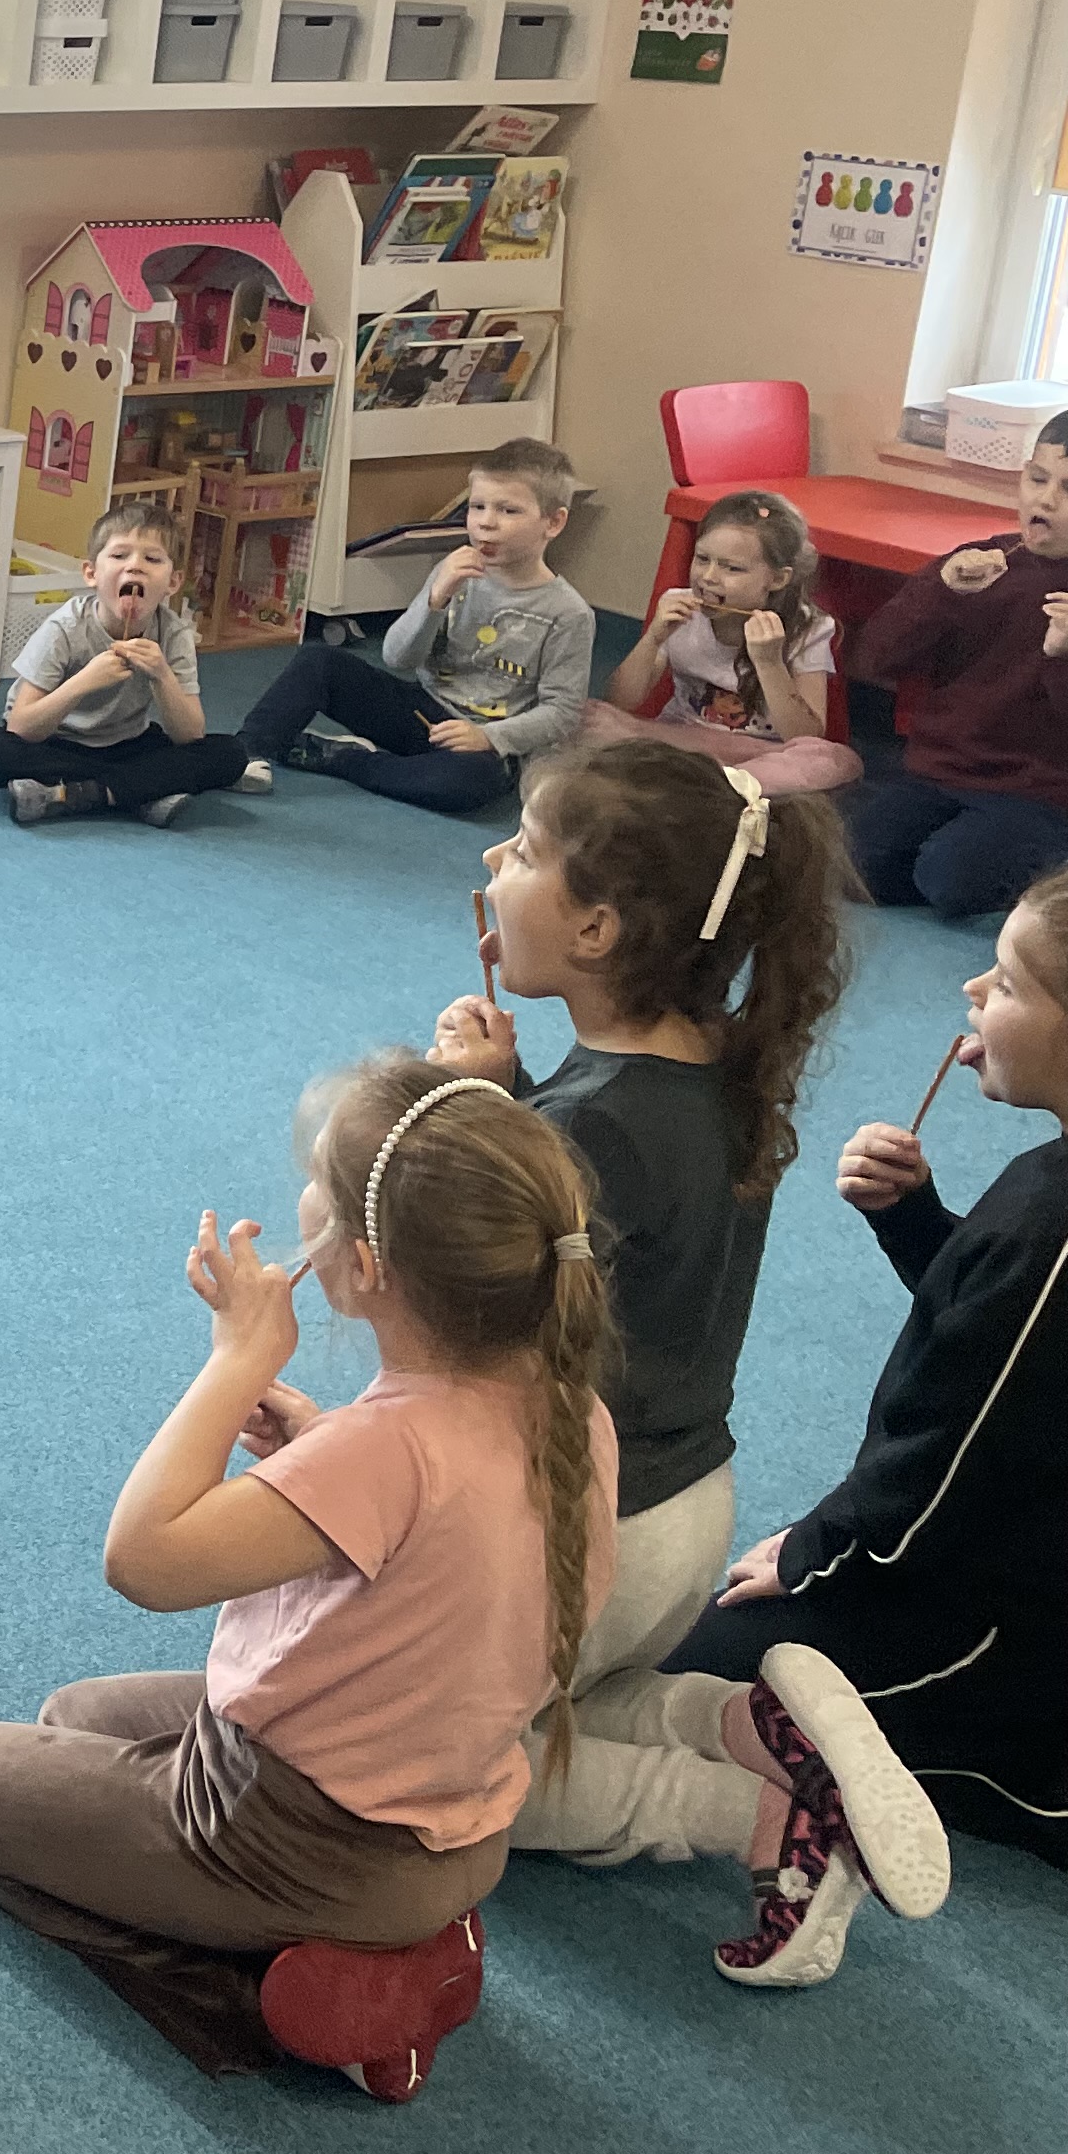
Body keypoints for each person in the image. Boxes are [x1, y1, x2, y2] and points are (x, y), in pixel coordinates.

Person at [0, 1061, 617, 2104]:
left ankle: (296, 1988)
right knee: (72, 1714)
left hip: (298, 1839)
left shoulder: (387, 1452)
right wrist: (319, 1443)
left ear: (367, 1268)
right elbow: (443, 1523)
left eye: (319, 1193)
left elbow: (142, 1559)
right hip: (451, 1822)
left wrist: (236, 1360)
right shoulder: (569, 1408)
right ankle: (395, 1931)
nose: (302, 1206)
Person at [549, 875, 1068, 1981]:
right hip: (991, 1553)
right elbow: (1010, 1350)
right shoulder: (1043, 1209)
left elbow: (951, 1464)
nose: (973, 991)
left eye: (1012, 984)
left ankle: (809, 1819)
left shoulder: (1051, 1231)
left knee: (658, 1682)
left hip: (992, 1620)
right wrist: (917, 1223)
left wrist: (814, 1554)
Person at [423, 743, 850, 1870]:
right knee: (581, 1699)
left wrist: (465, 1114)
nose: (493, 860)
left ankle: (757, 1824)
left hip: (588, 1540)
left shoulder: (592, 1125)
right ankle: (737, 1724)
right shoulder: (714, 1068)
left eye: (523, 850)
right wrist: (512, 1101)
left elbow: (473, 1306)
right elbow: (603, 1224)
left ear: (597, 930)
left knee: (405, 1762)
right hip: (686, 1508)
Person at [237, 440, 590, 817]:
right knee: (317, 662)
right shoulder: (452, 572)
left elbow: (563, 712)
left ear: (553, 522)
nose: (486, 522)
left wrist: (488, 736)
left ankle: (344, 759)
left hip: (486, 746)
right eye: (477, 507)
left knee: (465, 784)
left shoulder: (568, 613)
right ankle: (242, 753)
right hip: (422, 710)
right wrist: (435, 600)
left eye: (508, 510)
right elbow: (397, 657)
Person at [845, 413, 1068, 914]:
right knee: (854, 864)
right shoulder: (981, 562)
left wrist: (1061, 657)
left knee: (948, 878)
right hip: (941, 770)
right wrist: (941, 593)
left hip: (1042, 793)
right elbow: (877, 655)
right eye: (1037, 479)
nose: (1046, 500)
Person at [0, 500, 252, 827]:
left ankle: (83, 794)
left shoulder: (174, 633)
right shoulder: (65, 628)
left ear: (173, 582)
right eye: (119, 556)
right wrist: (84, 682)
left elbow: (189, 735)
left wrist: (162, 675)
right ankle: (138, 793)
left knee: (230, 753)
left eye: (152, 559)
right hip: (57, 743)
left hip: (128, 744)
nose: (135, 567)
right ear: (91, 573)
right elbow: (22, 727)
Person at [584, 490, 858, 793]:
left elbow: (804, 736)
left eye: (732, 568)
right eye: (702, 559)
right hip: (680, 739)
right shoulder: (679, 607)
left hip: (760, 756)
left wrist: (769, 663)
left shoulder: (808, 628)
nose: (709, 576)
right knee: (591, 717)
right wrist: (653, 638)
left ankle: (718, 787)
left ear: (778, 579)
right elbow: (620, 700)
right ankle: (714, 789)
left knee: (833, 760)